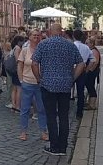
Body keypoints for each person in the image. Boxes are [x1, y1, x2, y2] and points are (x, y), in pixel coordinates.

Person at [32, 23, 85, 156]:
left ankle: (54, 146)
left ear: (50, 31)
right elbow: (81, 64)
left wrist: (39, 78)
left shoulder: (43, 44)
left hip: (48, 84)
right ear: (61, 32)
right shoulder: (70, 45)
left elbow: (34, 63)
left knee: (51, 115)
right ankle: (63, 146)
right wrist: (72, 78)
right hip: (65, 85)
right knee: (63, 116)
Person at [18, 30, 48, 141]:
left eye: (38, 35)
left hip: (40, 83)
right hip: (27, 82)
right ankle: (23, 131)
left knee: (42, 108)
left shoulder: (43, 50)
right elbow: (19, 65)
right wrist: (21, 79)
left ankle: (43, 131)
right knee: (25, 109)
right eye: (33, 35)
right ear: (29, 37)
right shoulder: (25, 50)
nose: (36, 37)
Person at [72, 29, 92, 119]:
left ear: (73, 36)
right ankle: (79, 112)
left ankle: (64, 110)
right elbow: (93, 60)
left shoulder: (72, 46)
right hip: (82, 70)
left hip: (72, 69)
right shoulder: (86, 47)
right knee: (80, 92)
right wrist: (87, 69)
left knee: (66, 90)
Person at [6, 35, 26, 111]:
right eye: (22, 41)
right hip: (17, 70)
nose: (24, 42)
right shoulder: (17, 48)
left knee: (14, 88)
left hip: (13, 70)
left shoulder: (14, 47)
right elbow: (18, 60)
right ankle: (17, 106)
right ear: (19, 41)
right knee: (19, 88)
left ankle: (14, 105)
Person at [84, 37, 102, 110]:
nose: (86, 45)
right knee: (89, 86)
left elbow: (95, 62)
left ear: (91, 44)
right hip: (91, 71)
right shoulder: (92, 50)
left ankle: (92, 105)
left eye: (87, 43)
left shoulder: (94, 51)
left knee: (90, 87)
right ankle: (90, 102)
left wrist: (89, 70)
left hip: (92, 71)